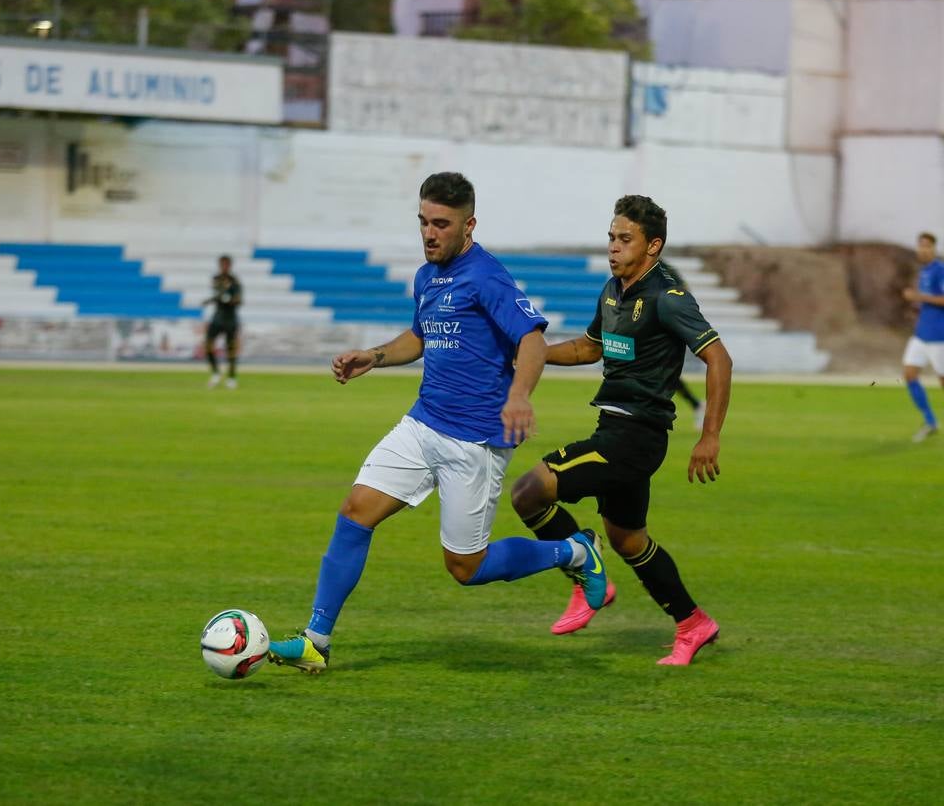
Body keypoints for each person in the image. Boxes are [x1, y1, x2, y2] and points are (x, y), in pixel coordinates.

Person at [266, 172, 608, 674]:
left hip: (474, 440)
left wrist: (518, 396)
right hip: (423, 424)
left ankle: (574, 553)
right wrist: (373, 357)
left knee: (466, 567)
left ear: (469, 225)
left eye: (441, 224)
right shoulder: (427, 276)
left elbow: (532, 339)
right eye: (424, 222)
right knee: (356, 512)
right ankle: (316, 640)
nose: (429, 233)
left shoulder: (487, 276)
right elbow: (419, 337)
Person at [509, 195, 732, 666]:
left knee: (528, 492)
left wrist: (709, 436)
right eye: (611, 237)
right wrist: (533, 354)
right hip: (615, 427)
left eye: (625, 239)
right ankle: (693, 623)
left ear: (653, 246)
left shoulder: (667, 297)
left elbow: (719, 358)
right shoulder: (613, 290)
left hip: (633, 438)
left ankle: (583, 566)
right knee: (629, 540)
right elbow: (589, 348)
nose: (613, 246)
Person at [902, 231, 944, 443]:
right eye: (921, 245)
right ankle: (930, 421)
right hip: (921, 334)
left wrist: (919, 297)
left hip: (938, 336)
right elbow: (928, 301)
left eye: (927, 246)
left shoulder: (940, 270)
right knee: (909, 374)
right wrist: (916, 305)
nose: (923, 249)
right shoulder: (923, 272)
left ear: (934, 249)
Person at [662, 260, 706, 431]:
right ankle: (696, 405)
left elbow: (683, 290)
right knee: (663, 372)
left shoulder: (661, 268)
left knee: (663, 371)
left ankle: (696, 405)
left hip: (666, 324)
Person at [204, 254, 243, 389]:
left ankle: (231, 378)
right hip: (218, 318)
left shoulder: (235, 281)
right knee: (208, 345)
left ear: (230, 266)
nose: (224, 267)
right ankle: (215, 373)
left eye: (226, 264)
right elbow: (217, 295)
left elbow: (239, 300)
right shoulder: (216, 279)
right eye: (222, 264)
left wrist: (229, 300)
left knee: (231, 349)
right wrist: (213, 300)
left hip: (230, 319)